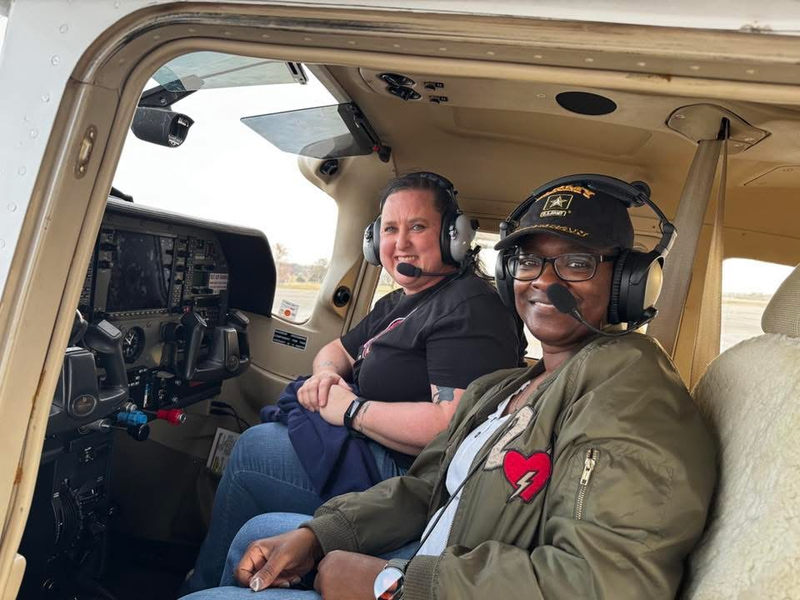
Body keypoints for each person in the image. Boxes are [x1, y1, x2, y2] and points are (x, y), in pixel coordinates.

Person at [180, 174, 716, 600]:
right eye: (529, 261)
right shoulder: (508, 387)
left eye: (577, 263)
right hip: (441, 557)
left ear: (629, 283)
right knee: (260, 539)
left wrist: (391, 585)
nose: (544, 280)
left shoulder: (630, 389)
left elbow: (602, 584)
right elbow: (426, 490)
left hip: (437, 579)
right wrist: (322, 536)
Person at [182, 172, 522, 593]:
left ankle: (202, 583)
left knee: (253, 452)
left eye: (417, 226)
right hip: (375, 453)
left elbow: (450, 425)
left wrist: (352, 411)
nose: (400, 242)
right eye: (390, 229)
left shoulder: (468, 307)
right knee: (258, 448)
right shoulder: (400, 301)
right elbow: (336, 350)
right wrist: (326, 375)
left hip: (411, 479)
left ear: (454, 235)